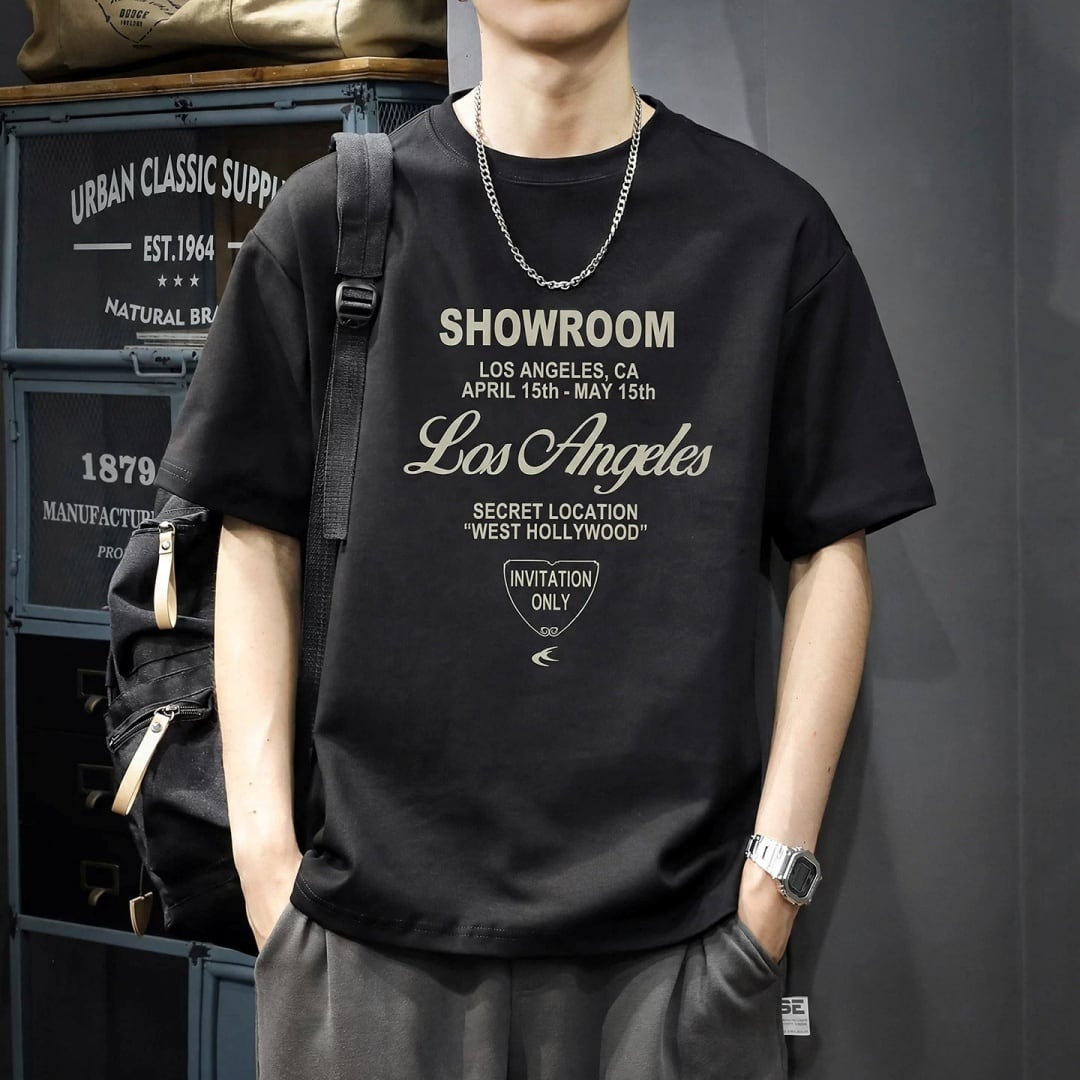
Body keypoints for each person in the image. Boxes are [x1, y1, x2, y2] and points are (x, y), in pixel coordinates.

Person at [156, 1, 936, 1076]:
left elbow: (832, 549)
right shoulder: (325, 223)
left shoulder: (769, 230)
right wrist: (265, 865)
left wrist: (775, 882)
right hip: (365, 950)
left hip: (679, 952)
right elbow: (255, 535)